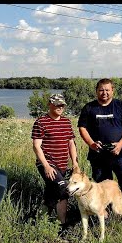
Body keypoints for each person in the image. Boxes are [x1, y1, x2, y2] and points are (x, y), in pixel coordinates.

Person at [77, 78, 122, 234]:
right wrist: (92, 144)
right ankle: (106, 218)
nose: (104, 93)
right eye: (101, 90)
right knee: (101, 188)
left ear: (112, 90)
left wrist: (120, 144)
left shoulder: (121, 106)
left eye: (107, 90)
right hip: (98, 156)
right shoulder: (89, 108)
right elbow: (82, 128)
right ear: (96, 91)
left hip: (121, 155)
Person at [31, 93, 79, 229]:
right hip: (47, 163)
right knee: (64, 190)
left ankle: (37, 223)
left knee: (51, 195)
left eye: (62, 105)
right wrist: (46, 166)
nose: (60, 107)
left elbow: (71, 143)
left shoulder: (66, 122)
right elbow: (36, 146)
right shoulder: (41, 122)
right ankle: (63, 226)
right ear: (50, 105)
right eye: (57, 104)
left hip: (62, 164)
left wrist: (75, 163)